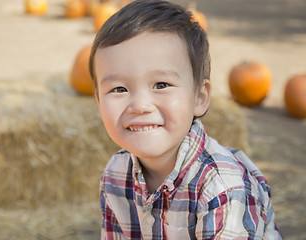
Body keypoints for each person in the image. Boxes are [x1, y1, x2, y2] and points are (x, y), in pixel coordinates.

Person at [88, 0, 283, 239]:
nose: (139, 105)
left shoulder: (222, 187)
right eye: (119, 89)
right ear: (98, 102)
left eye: (161, 85)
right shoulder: (115, 175)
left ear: (199, 97)